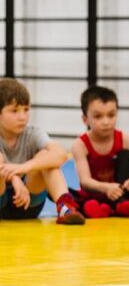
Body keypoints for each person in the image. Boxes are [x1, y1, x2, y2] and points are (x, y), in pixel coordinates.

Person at [0, 77, 84, 224]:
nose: (22, 117)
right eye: (14, 111)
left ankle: (65, 207)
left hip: (30, 202)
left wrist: (24, 167)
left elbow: (61, 155)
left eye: (26, 110)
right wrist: (15, 178)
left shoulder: (32, 133)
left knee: (45, 156)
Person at [71, 86, 129, 218]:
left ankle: (120, 204)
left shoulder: (126, 139)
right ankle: (96, 207)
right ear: (85, 119)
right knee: (65, 193)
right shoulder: (80, 144)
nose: (106, 122)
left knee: (127, 155)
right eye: (98, 116)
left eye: (111, 115)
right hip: (93, 196)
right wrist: (106, 188)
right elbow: (85, 181)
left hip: (120, 195)